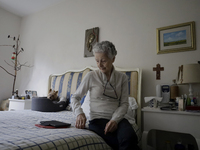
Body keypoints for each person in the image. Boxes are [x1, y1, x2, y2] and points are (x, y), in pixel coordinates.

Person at [71, 41, 139, 150]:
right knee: (120, 143)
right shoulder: (91, 76)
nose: (99, 65)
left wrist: (115, 120)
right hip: (97, 120)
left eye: (103, 61)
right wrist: (79, 113)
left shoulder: (122, 78)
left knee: (130, 137)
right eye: (97, 61)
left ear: (113, 59)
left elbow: (124, 104)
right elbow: (75, 97)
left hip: (118, 119)